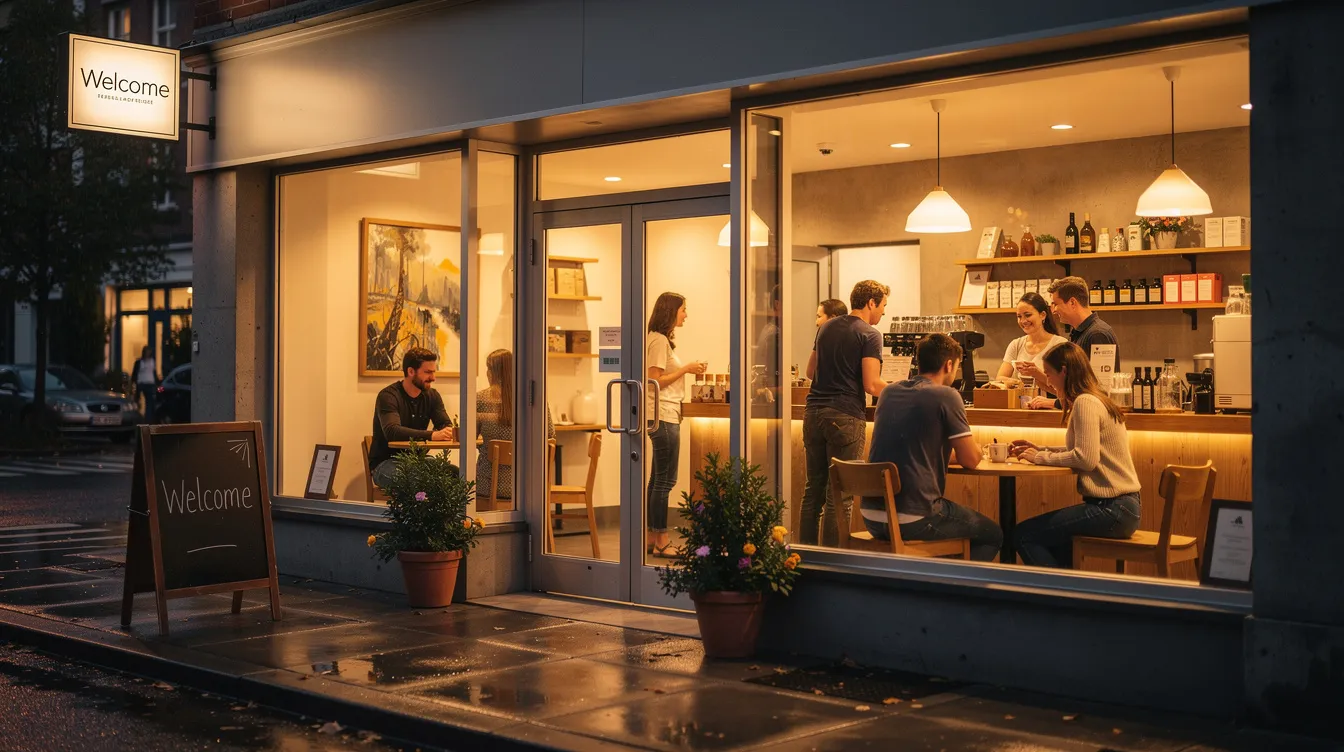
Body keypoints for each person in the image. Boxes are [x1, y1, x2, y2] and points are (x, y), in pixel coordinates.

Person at [865, 334, 1003, 561]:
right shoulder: (946, 395)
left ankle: (936, 585)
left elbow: (916, 453)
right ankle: (951, 592)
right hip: (914, 518)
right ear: (949, 364)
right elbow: (970, 459)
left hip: (872, 516)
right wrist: (977, 449)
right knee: (992, 535)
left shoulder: (888, 392)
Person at [1009, 342, 1142, 568]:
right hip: (1123, 507)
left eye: (1049, 374)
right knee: (1055, 542)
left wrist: (1039, 457)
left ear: (1064, 371)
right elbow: (1085, 450)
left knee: (1023, 534)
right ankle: (1067, 593)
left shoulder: (1085, 402)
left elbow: (1085, 459)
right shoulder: (1094, 398)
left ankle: (1060, 597)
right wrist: (1040, 449)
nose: (1048, 381)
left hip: (1111, 509)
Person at [801, 279, 889, 546]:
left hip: (813, 413)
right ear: (871, 302)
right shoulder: (870, 334)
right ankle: (832, 562)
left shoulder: (826, 327)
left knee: (813, 491)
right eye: (883, 305)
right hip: (844, 416)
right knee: (839, 494)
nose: (883, 312)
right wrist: (904, 390)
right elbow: (871, 384)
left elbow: (810, 372)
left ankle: (804, 556)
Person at [646, 292, 708, 558]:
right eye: (683, 309)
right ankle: (661, 540)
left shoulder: (657, 339)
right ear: (671, 311)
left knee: (656, 480)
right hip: (664, 415)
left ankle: (652, 536)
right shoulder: (659, 341)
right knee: (665, 480)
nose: (686, 314)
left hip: (659, 414)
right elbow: (654, 381)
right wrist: (686, 369)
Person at [1020, 276, 1119, 409]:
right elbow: (1077, 387)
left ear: (1072, 302)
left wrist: (1054, 403)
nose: (1053, 310)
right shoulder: (1079, 333)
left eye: (1056, 304)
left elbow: (1099, 391)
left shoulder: (1097, 334)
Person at [368, 347, 456, 489]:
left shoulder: (432, 396)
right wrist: (432, 435)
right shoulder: (388, 396)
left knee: (456, 475)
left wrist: (447, 431)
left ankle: (444, 512)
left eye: (433, 372)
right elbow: (392, 432)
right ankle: (420, 512)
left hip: (419, 460)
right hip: (386, 462)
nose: (433, 378)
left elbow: (445, 424)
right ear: (410, 371)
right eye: (428, 372)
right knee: (419, 480)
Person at [476, 349, 553, 506]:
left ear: (491, 371)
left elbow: (468, 435)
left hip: (489, 485)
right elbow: (550, 434)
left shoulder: (480, 398)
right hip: (528, 484)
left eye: (487, 368)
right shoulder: (534, 397)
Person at [995, 292, 1068, 387]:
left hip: (1049, 401)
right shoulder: (1016, 345)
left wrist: (1037, 374)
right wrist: (1018, 383)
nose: (1023, 321)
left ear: (1042, 315)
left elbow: (1066, 387)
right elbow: (1000, 379)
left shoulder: (1060, 344)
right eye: (1019, 316)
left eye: (1028, 315)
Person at [131, 346, 159, 422]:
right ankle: (137, 417)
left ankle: (148, 419)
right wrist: (133, 383)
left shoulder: (152, 361)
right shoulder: (139, 362)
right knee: (137, 401)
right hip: (141, 383)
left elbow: (154, 373)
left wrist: (157, 384)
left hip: (150, 383)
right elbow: (134, 373)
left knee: (150, 402)